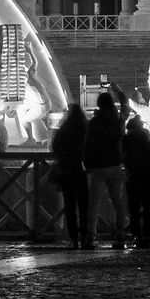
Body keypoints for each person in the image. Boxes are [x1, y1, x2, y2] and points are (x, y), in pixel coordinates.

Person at [83, 91, 127, 251]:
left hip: (98, 165)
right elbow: (125, 105)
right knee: (117, 201)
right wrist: (118, 91)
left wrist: (87, 163)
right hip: (115, 164)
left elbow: (89, 145)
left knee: (94, 202)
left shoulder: (94, 122)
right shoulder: (119, 119)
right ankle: (120, 234)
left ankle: (91, 236)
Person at [51, 101, 89, 249]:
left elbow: (55, 145)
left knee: (70, 206)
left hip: (67, 170)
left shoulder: (65, 128)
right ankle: (85, 236)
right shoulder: (85, 128)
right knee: (84, 205)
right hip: (83, 170)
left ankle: (73, 239)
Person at [122, 109, 150, 251]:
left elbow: (121, 156)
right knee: (148, 208)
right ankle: (147, 237)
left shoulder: (126, 141)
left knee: (134, 209)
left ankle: (137, 236)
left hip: (133, 177)